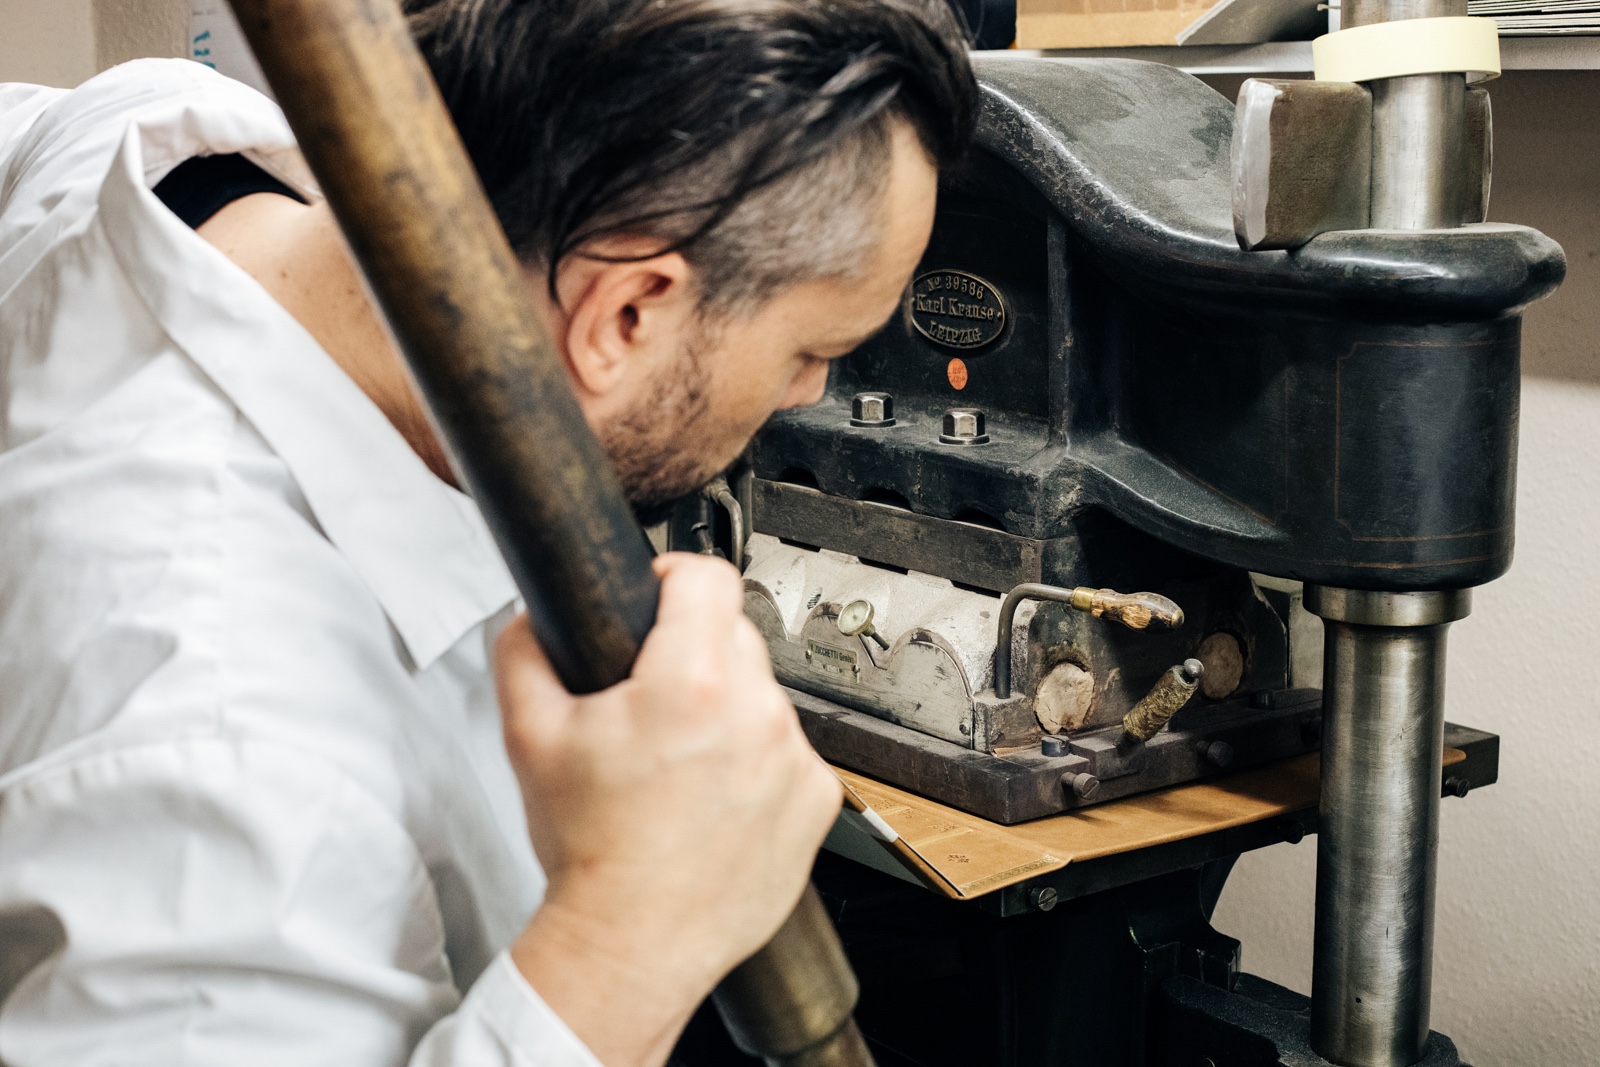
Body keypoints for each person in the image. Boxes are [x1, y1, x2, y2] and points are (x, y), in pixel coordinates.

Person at [0, 1, 975, 1065]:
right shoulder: (222, 772)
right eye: (811, 348)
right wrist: (624, 939)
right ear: (625, 316)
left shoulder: (151, 135)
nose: (809, 392)